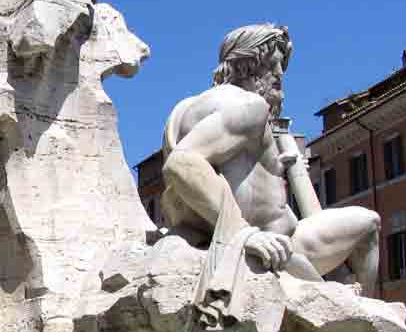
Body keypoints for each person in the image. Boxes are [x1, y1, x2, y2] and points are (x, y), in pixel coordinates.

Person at [161, 24, 381, 297]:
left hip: (235, 235)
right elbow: (182, 163)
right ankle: (367, 312)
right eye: (275, 66)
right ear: (247, 66)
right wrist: (244, 234)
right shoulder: (250, 107)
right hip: (278, 244)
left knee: (344, 262)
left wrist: (275, 167)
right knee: (369, 223)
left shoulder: (185, 108)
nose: (279, 75)